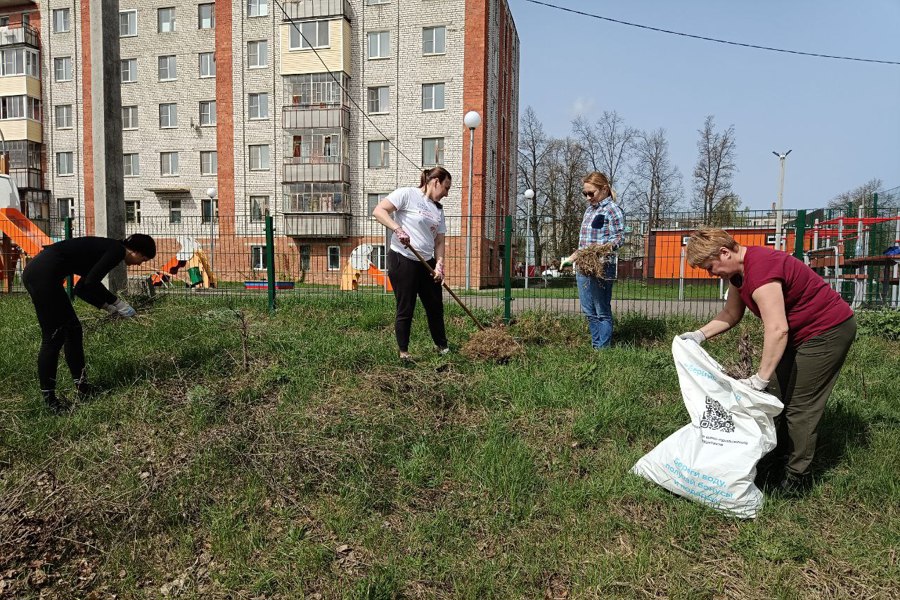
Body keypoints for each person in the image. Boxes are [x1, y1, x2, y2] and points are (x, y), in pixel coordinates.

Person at [680, 228, 856, 495]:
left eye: (710, 267)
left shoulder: (761, 270)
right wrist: (698, 336)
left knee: (800, 408)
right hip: (797, 334)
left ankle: (797, 478)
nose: (711, 273)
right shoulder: (739, 274)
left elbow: (777, 329)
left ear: (724, 252)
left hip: (826, 332)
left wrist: (760, 378)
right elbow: (731, 312)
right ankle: (776, 459)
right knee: (775, 399)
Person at [22, 234, 157, 413]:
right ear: (135, 250)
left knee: (73, 331)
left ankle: (82, 387)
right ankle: (50, 401)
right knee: (53, 337)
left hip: (40, 273)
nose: (140, 263)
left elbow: (82, 289)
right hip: (42, 275)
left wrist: (109, 308)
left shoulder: (108, 248)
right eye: (143, 259)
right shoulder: (116, 250)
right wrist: (118, 303)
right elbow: (92, 283)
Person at [372, 167, 451, 361]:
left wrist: (439, 264)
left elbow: (439, 241)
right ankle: (404, 353)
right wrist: (397, 229)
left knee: (435, 306)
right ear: (436, 182)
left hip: (427, 263)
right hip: (403, 258)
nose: (447, 194)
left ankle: (442, 348)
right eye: (446, 188)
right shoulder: (407, 194)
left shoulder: (438, 210)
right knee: (406, 306)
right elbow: (379, 210)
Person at [560, 171, 625, 349]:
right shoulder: (589, 211)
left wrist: (601, 250)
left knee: (601, 311)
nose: (588, 197)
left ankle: (602, 351)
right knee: (589, 310)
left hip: (602, 266)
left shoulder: (612, 210)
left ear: (604, 189)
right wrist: (572, 258)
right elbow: (584, 243)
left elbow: (619, 239)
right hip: (583, 266)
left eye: (591, 193)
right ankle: (595, 346)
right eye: (585, 194)